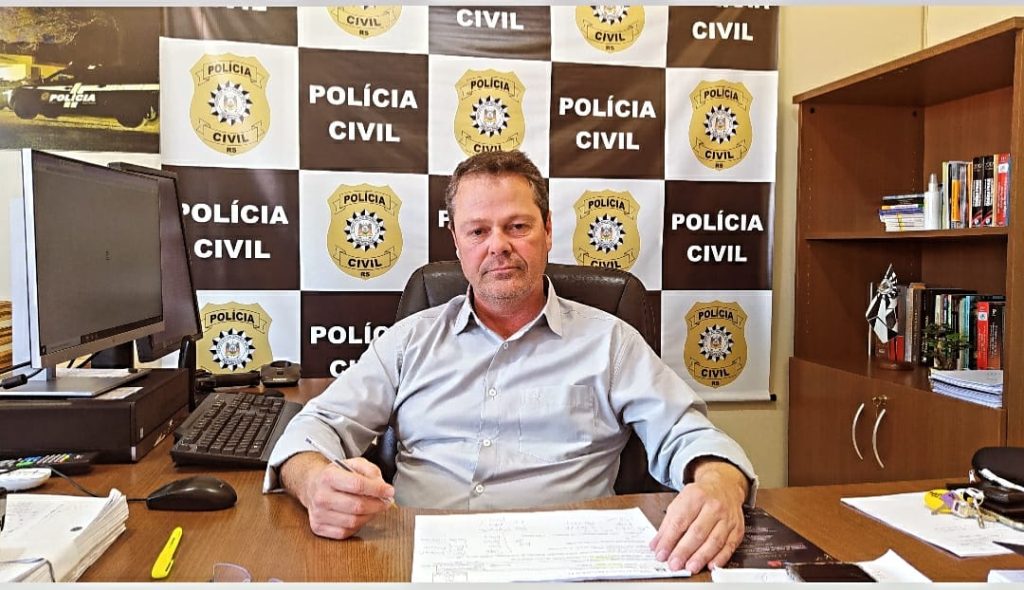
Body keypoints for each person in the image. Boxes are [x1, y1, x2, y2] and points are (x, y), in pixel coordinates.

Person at [265, 150, 757, 573]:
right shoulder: (409, 341)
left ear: (548, 230)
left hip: (568, 568)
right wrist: (313, 482)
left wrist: (719, 482)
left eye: (517, 226)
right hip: (418, 561)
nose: (497, 245)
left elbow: (688, 433)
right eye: (477, 230)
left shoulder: (611, 343)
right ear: (457, 243)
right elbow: (315, 427)